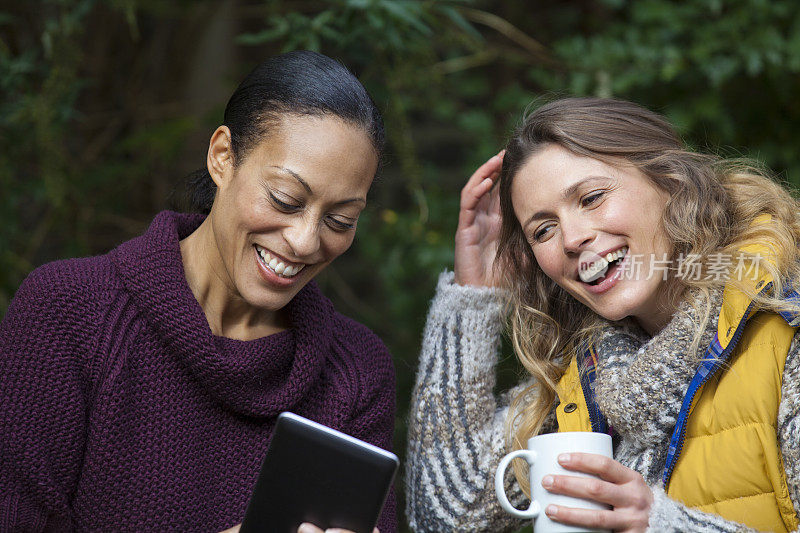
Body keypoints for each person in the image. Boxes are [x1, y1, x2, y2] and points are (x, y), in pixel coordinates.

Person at [0, 50, 395, 533]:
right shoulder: (68, 314)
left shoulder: (357, 370)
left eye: (340, 221)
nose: (305, 241)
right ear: (222, 157)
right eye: (285, 200)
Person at [406, 97, 800, 532]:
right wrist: (475, 294)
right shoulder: (587, 376)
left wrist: (662, 527)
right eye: (543, 229)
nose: (572, 238)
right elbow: (447, 515)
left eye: (591, 198)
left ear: (669, 179)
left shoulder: (787, 320)